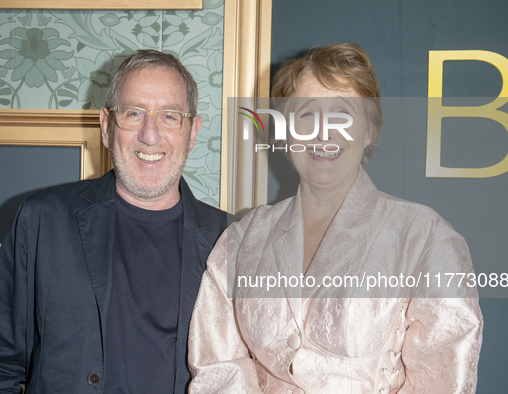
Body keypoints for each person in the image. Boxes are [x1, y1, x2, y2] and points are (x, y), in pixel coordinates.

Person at [187, 43, 483, 393]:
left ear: (369, 130)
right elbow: (219, 370)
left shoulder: (424, 237)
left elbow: (443, 378)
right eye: (307, 114)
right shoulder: (240, 241)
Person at [0, 49, 231, 393]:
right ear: (106, 126)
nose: (150, 134)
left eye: (169, 116)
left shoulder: (231, 240)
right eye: (133, 113)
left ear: (192, 132)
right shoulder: (43, 220)